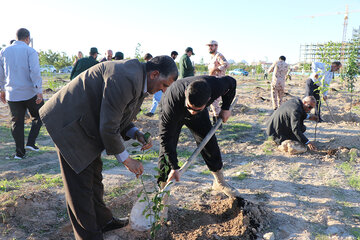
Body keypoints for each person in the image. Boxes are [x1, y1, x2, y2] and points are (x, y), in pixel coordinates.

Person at [39, 56, 178, 239]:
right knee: (80, 186)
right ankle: (88, 235)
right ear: (154, 74)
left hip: (87, 123)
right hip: (69, 124)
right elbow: (108, 127)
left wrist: (136, 133)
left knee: (94, 174)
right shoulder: (125, 78)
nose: (164, 89)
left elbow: (118, 115)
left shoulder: (139, 80)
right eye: (165, 85)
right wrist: (128, 160)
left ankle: (103, 221)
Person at [157, 75, 241, 198]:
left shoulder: (216, 86)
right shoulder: (170, 104)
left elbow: (232, 83)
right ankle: (163, 190)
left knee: (209, 142)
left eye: (196, 109)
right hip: (176, 110)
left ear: (208, 100)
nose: (192, 112)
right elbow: (165, 137)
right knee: (167, 149)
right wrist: (174, 166)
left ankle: (219, 182)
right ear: (186, 94)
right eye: (190, 107)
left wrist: (226, 108)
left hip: (199, 114)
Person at [0, 28, 44, 159]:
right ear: (27, 38)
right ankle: (30, 142)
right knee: (40, 115)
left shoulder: (4, 51)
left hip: (12, 94)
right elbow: (35, 72)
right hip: (29, 91)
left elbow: (1, 73)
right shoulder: (30, 51)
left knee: (16, 122)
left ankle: (20, 153)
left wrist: (1, 89)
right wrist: (39, 91)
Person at [206, 40, 229, 125]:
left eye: (211, 46)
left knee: (215, 103)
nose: (210, 48)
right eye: (209, 46)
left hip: (219, 82)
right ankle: (215, 123)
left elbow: (226, 64)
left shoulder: (219, 56)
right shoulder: (212, 57)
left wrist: (216, 69)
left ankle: (218, 124)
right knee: (212, 103)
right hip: (212, 82)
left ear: (216, 46)